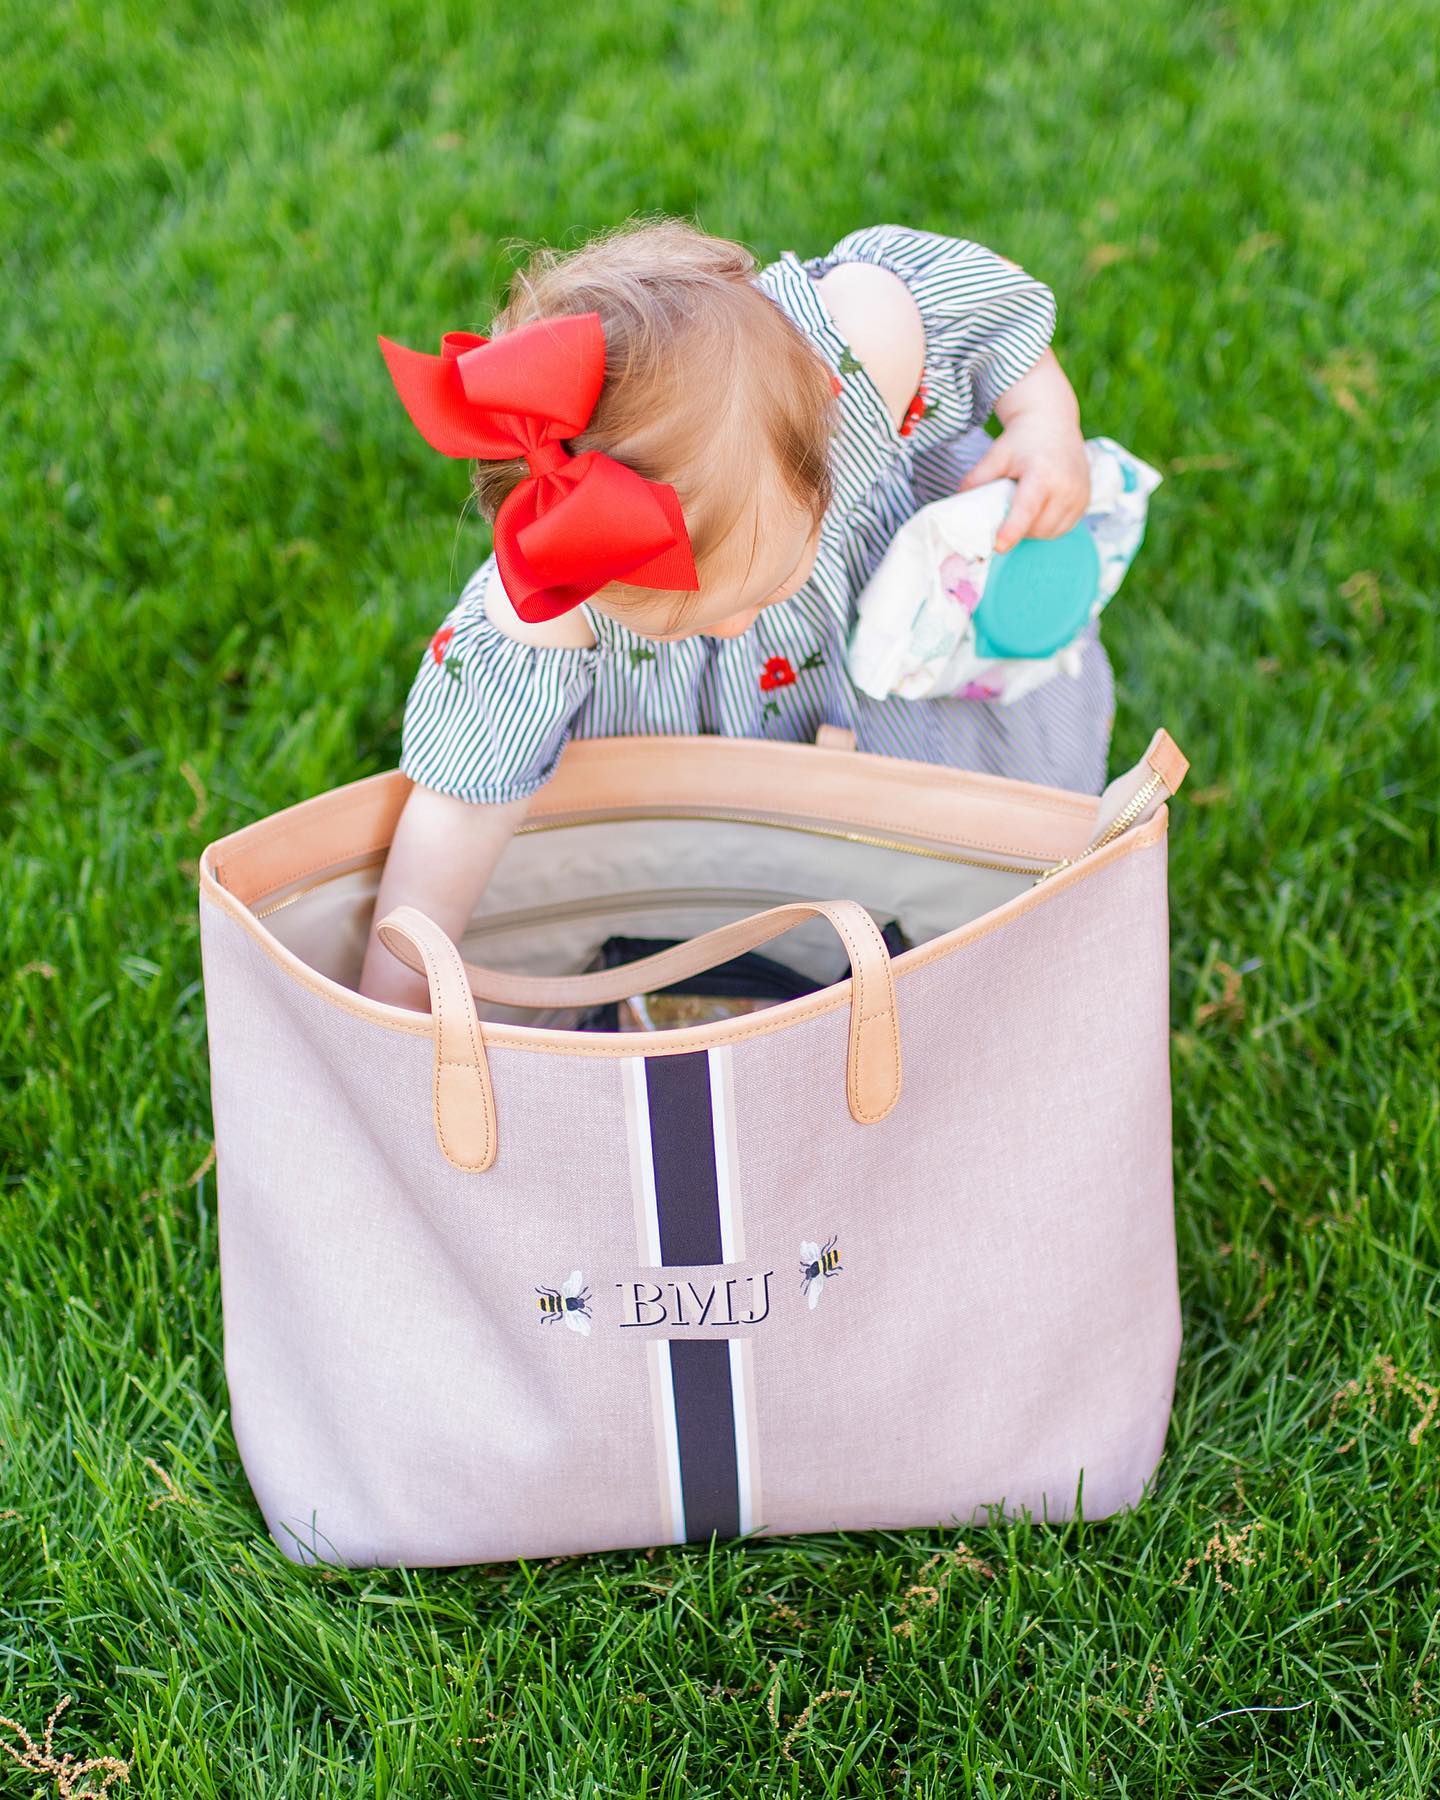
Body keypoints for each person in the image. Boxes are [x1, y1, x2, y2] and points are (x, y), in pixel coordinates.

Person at [358, 219, 1105, 1009]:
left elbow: (972, 292)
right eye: (677, 624)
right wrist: (395, 993)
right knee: (714, 904)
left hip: (894, 692)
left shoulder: (860, 354)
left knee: (969, 860)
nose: (736, 628)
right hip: (679, 793)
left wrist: (1044, 421)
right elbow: (462, 802)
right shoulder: (553, 595)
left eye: (773, 580)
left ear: (819, 436)